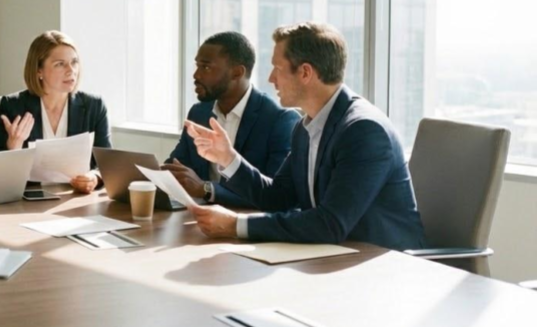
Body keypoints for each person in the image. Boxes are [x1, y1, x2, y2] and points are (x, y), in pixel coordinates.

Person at [185, 22, 426, 250]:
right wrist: (228, 158)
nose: (271, 79)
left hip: (385, 265)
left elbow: (329, 224)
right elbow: (277, 197)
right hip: (336, 256)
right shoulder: (305, 127)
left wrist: (236, 225)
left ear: (305, 72)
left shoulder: (363, 130)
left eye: (277, 68)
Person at [162, 31, 299, 207]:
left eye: (206, 67)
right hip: (199, 220)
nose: (196, 75)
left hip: (248, 224)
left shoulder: (280, 120)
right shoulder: (199, 113)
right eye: (197, 66)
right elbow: (177, 166)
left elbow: (275, 195)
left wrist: (206, 189)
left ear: (237, 72)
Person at [0, 31, 111, 194]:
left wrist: (93, 177)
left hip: (77, 200)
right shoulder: (14, 106)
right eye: (60, 64)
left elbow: (106, 164)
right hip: (28, 200)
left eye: (74, 62)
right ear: (38, 71)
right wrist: (14, 146)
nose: (71, 71)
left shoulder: (94, 106)